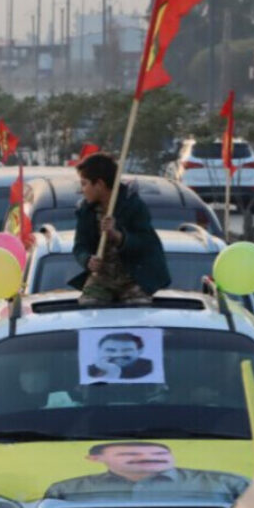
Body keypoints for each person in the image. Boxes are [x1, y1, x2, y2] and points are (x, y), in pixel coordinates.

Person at [69, 153, 171, 305]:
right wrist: (87, 260)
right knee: (88, 307)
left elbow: (146, 244)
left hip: (133, 277)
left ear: (100, 184)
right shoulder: (85, 210)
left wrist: (118, 236)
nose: (82, 189)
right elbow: (79, 246)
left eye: (84, 184)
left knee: (139, 308)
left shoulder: (133, 206)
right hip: (101, 279)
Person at [45, 441, 249, 501]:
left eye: (160, 454)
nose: (148, 458)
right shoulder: (65, 490)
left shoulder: (230, 484)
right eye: (129, 454)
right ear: (95, 459)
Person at [87, 332, 153, 380]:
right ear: (99, 351)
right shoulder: (89, 371)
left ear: (140, 351)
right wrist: (112, 372)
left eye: (126, 350)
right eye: (110, 350)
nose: (118, 355)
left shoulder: (151, 368)